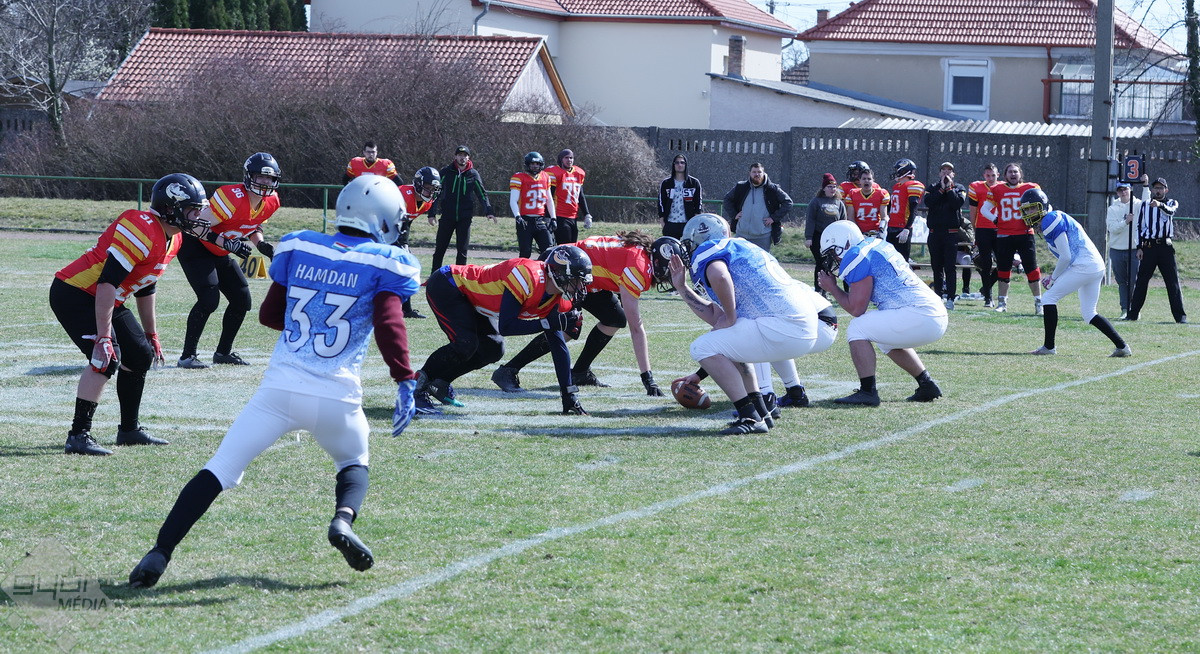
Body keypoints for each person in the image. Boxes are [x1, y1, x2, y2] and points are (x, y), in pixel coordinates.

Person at [127, 175, 422, 588]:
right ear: (385, 218)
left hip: (279, 391)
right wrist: (405, 378)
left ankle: (160, 551)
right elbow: (390, 324)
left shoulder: (301, 246)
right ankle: (342, 520)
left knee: (218, 470)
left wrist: (310, 318)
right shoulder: (386, 262)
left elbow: (269, 315)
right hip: (337, 394)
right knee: (354, 462)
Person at [51, 173, 207, 455]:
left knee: (140, 354)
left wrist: (151, 333)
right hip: (76, 292)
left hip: (107, 296)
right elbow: (106, 282)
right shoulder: (141, 226)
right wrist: (103, 337)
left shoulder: (174, 239)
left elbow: (146, 286)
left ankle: (129, 430)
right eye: (191, 209)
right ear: (170, 208)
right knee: (105, 358)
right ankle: (78, 435)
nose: (197, 215)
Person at [668, 213, 839, 435]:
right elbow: (715, 316)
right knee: (728, 342)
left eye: (691, 243)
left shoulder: (710, 249)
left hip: (784, 324)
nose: (690, 249)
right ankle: (761, 412)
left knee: (701, 347)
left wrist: (730, 316)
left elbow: (720, 276)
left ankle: (749, 416)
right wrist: (682, 288)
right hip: (800, 326)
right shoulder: (742, 248)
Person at [413, 246, 594, 416]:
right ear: (559, 274)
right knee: (465, 344)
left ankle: (440, 383)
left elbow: (558, 346)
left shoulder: (556, 297)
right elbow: (506, 326)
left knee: (493, 349)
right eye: (577, 280)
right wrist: (546, 324)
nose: (580, 287)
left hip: (475, 301)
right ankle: (416, 388)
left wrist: (568, 393)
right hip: (449, 285)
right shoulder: (528, 276)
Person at [492, 231, 670, 395]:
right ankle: (509, 370)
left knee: (614, 319)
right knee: (568, 326)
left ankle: (580, 372)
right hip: (564, 271)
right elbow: (636, 328)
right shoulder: (639, 267)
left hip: (583, 277)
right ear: (658, 262)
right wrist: (648, 378)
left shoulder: (640, 254)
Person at [817, 221, 946, 406]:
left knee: (857, 328)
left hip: (920, 313)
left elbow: (856, 309)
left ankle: (867, 392)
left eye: (833, 252)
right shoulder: (875, 244)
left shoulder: (857, 255)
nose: (834, 259)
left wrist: (833, 288)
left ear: (845, 243)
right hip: (932, 311)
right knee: (885, 340)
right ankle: (927, 384)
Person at [177, 152, 282, 368]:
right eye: (260, 177)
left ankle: (223, 353)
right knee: (209, 299)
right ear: (249, 176)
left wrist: (261, 244)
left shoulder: (272, 201)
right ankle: (187, 356)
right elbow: (194, 227)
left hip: (219, 249)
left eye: (269, 178)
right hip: (195, 245)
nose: (265, 182)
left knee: (242, 299)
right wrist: (226, 243)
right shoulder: (232, 197)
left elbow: (252, 224)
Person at [1017, 189, 1131, 357]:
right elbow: (1068, 257)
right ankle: (1122, 347)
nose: (1029, 213)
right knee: (1089, 313)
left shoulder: (1050, 219)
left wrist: (1053, 278)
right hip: (1094, 265)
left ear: (1042, 206)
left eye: (1032, 208)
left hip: (1084, 266)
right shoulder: (1053, 218)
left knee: (1048, 298)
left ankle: (1049, 347)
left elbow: (1066, 256)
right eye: (1026, 210)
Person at [1127, 175, 1187, 323]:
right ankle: (1132, 314)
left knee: (1172, 282)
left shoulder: (1172, 202)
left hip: (1165, 247)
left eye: (1160, 188)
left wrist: (1159, 205)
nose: (1158, 190)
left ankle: (1180, 317)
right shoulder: (1145, 204)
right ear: (1152, 190)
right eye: (1155, 188)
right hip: (1149, 247)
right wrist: (1139, 247)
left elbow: (1171, 211)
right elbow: (1140, 226)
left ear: (1166, 190)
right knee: (1141, 281)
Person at [427, 145, 497, 271]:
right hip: (447, 216)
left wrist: (489, 211)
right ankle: (433, 277)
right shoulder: (446, 171)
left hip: (465, 218)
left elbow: (482, 194)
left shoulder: (473, 174)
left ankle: (460, 279)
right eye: (460, 155)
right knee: (440, 250)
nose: (462, 158)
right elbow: (436, 193)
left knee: (462, 252)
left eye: (465, 155)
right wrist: (431, 213)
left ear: (468, 158)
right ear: (455, 156)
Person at [987, 163, 1044, 314]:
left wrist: (1038, 220)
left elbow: (1045, 205)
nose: (1013, 174)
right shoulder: (997, 189)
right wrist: (995, 220)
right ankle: (1002, 304)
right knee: (1003, 270)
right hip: (1004, 234)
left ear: (1020, 174)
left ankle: (1039, 304)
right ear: (1005, 175)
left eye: (1015, 171)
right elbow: (985, 209)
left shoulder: (1031, 188)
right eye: (1010, 172)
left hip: (1025, 233)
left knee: (1032, 269)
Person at [396, 166, 441, 318]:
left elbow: (407, 222)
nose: (431, 192)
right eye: (428, 187)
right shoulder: (402, 194)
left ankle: (406, 309)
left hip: (396, 230)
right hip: (378, 229)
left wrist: (404, 242)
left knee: (407, 267)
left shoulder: (426, 203)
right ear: (418, 184)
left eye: (433, 189)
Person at [923, 162, 967, 309]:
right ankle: (938, 296)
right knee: (936, 267)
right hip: (934, 233)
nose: (946, 173)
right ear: (939, 173)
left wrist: (948, 189)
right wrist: (941, 189)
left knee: (950, 267)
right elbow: (928, 202)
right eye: (943, 170)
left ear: (953, 174)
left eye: (949, 170)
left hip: (951, 234)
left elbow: (957, 203)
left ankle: (951, 298)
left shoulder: (959, 188)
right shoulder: (932, 188)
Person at [722, 162, 793, 251]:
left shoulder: (772, 189)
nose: (757, 174)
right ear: (749, 173)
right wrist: (734, 214)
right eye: (754, 172)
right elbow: (727, 199)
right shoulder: (741, 187)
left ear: (763, 173)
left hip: (762, 236)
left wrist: (774, 218)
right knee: (740, 259)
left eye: (759, 172)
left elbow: (788, 202)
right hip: (741, 235)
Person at [805, 173, 848, 291]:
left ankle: (826, 290)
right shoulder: (816, 202)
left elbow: (843, 221)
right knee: (821, 263)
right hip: (818, 236)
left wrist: (844, 238)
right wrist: (809, 237)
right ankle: (818, 289)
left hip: (834, 239)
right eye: (829, 187)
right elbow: (810, 220)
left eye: (834, 187)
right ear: (824, 188)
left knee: (830, 264)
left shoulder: (839, 203)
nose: (832, 189)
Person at [510, 151, 556, 259]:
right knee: (525, 252)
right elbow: (513, 200)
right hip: (525, 220)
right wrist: (517, 216)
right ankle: (523, 270)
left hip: (541, 220)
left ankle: (542, 269)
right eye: (532, 164)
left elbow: (549, 199)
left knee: (548, 251)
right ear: (527, 164)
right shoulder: (519, 177)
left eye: (537, 164)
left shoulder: (545, 177)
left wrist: (553, 218)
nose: (535, 166)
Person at [1105, 182, 1141, 319]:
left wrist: (1145, 185)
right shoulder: (1112, 208)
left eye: (1125, 189)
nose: (1123, 192)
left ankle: (1134, 309)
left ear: (1130, 189)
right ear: (1117, 192)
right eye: (1120, 190)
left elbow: (1147, 200)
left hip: (1134, 249)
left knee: (1134, 281)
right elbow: (1112, 228)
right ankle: (1125, 309)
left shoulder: (1138, 205)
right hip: (1117, 249)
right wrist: (1126, 222)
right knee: (1122, 282)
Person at [967, 163, 1000, 306]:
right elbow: (973, 210)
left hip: (1000, 229)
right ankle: (988, 297)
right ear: (984, 176)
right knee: (986, 264)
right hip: (983, 228)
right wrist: (975, 230)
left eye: (993, 175)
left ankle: (986, 288)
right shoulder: (976, 187)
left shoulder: (1003, 187)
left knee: (1004, 262)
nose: (991, 178)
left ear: (998, 175)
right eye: (988, 175)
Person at [545, 149, 593, 244]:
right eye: (566, 158)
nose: (569, 160)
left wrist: (587, 214)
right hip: (559, 215)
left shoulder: (578, 173)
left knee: (572, 245)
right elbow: (549, 196)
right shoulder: (555, 173)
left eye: (571, 158)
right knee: (565, 245)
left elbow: (580, 196)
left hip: (573, 216)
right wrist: (548, 216)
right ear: (561, 159)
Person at [886, 158, 925, 262]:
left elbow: (914, 209)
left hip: (902, 227)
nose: (896, 172)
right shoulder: (897, 186)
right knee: (890, 260)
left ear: (904, 171)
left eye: (897, 170)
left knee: (901, 261)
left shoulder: (913, 185)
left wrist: (907, 228)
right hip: (891, 226)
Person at [658, 154, 703, 239]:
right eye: (677, 163)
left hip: (687, 224)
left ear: (685, 165)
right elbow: (661, 203)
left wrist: (695, 222)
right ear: (674, 165)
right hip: (670, 224)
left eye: (682, 163)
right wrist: (662, 222)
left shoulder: (693, 183)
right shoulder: (666, 183)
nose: (680, 165)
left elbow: (698, 204)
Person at [844, 168, 889, 238]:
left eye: (869, 179)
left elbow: (884, 217)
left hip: (876, 231)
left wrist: (881, 230)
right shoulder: (852, 194)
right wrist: (857, 232)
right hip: (859, 232)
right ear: (859, 181)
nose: (866, 181)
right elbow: (851, 217)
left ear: (873, 181)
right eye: (864, 179)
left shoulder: (881, 194)